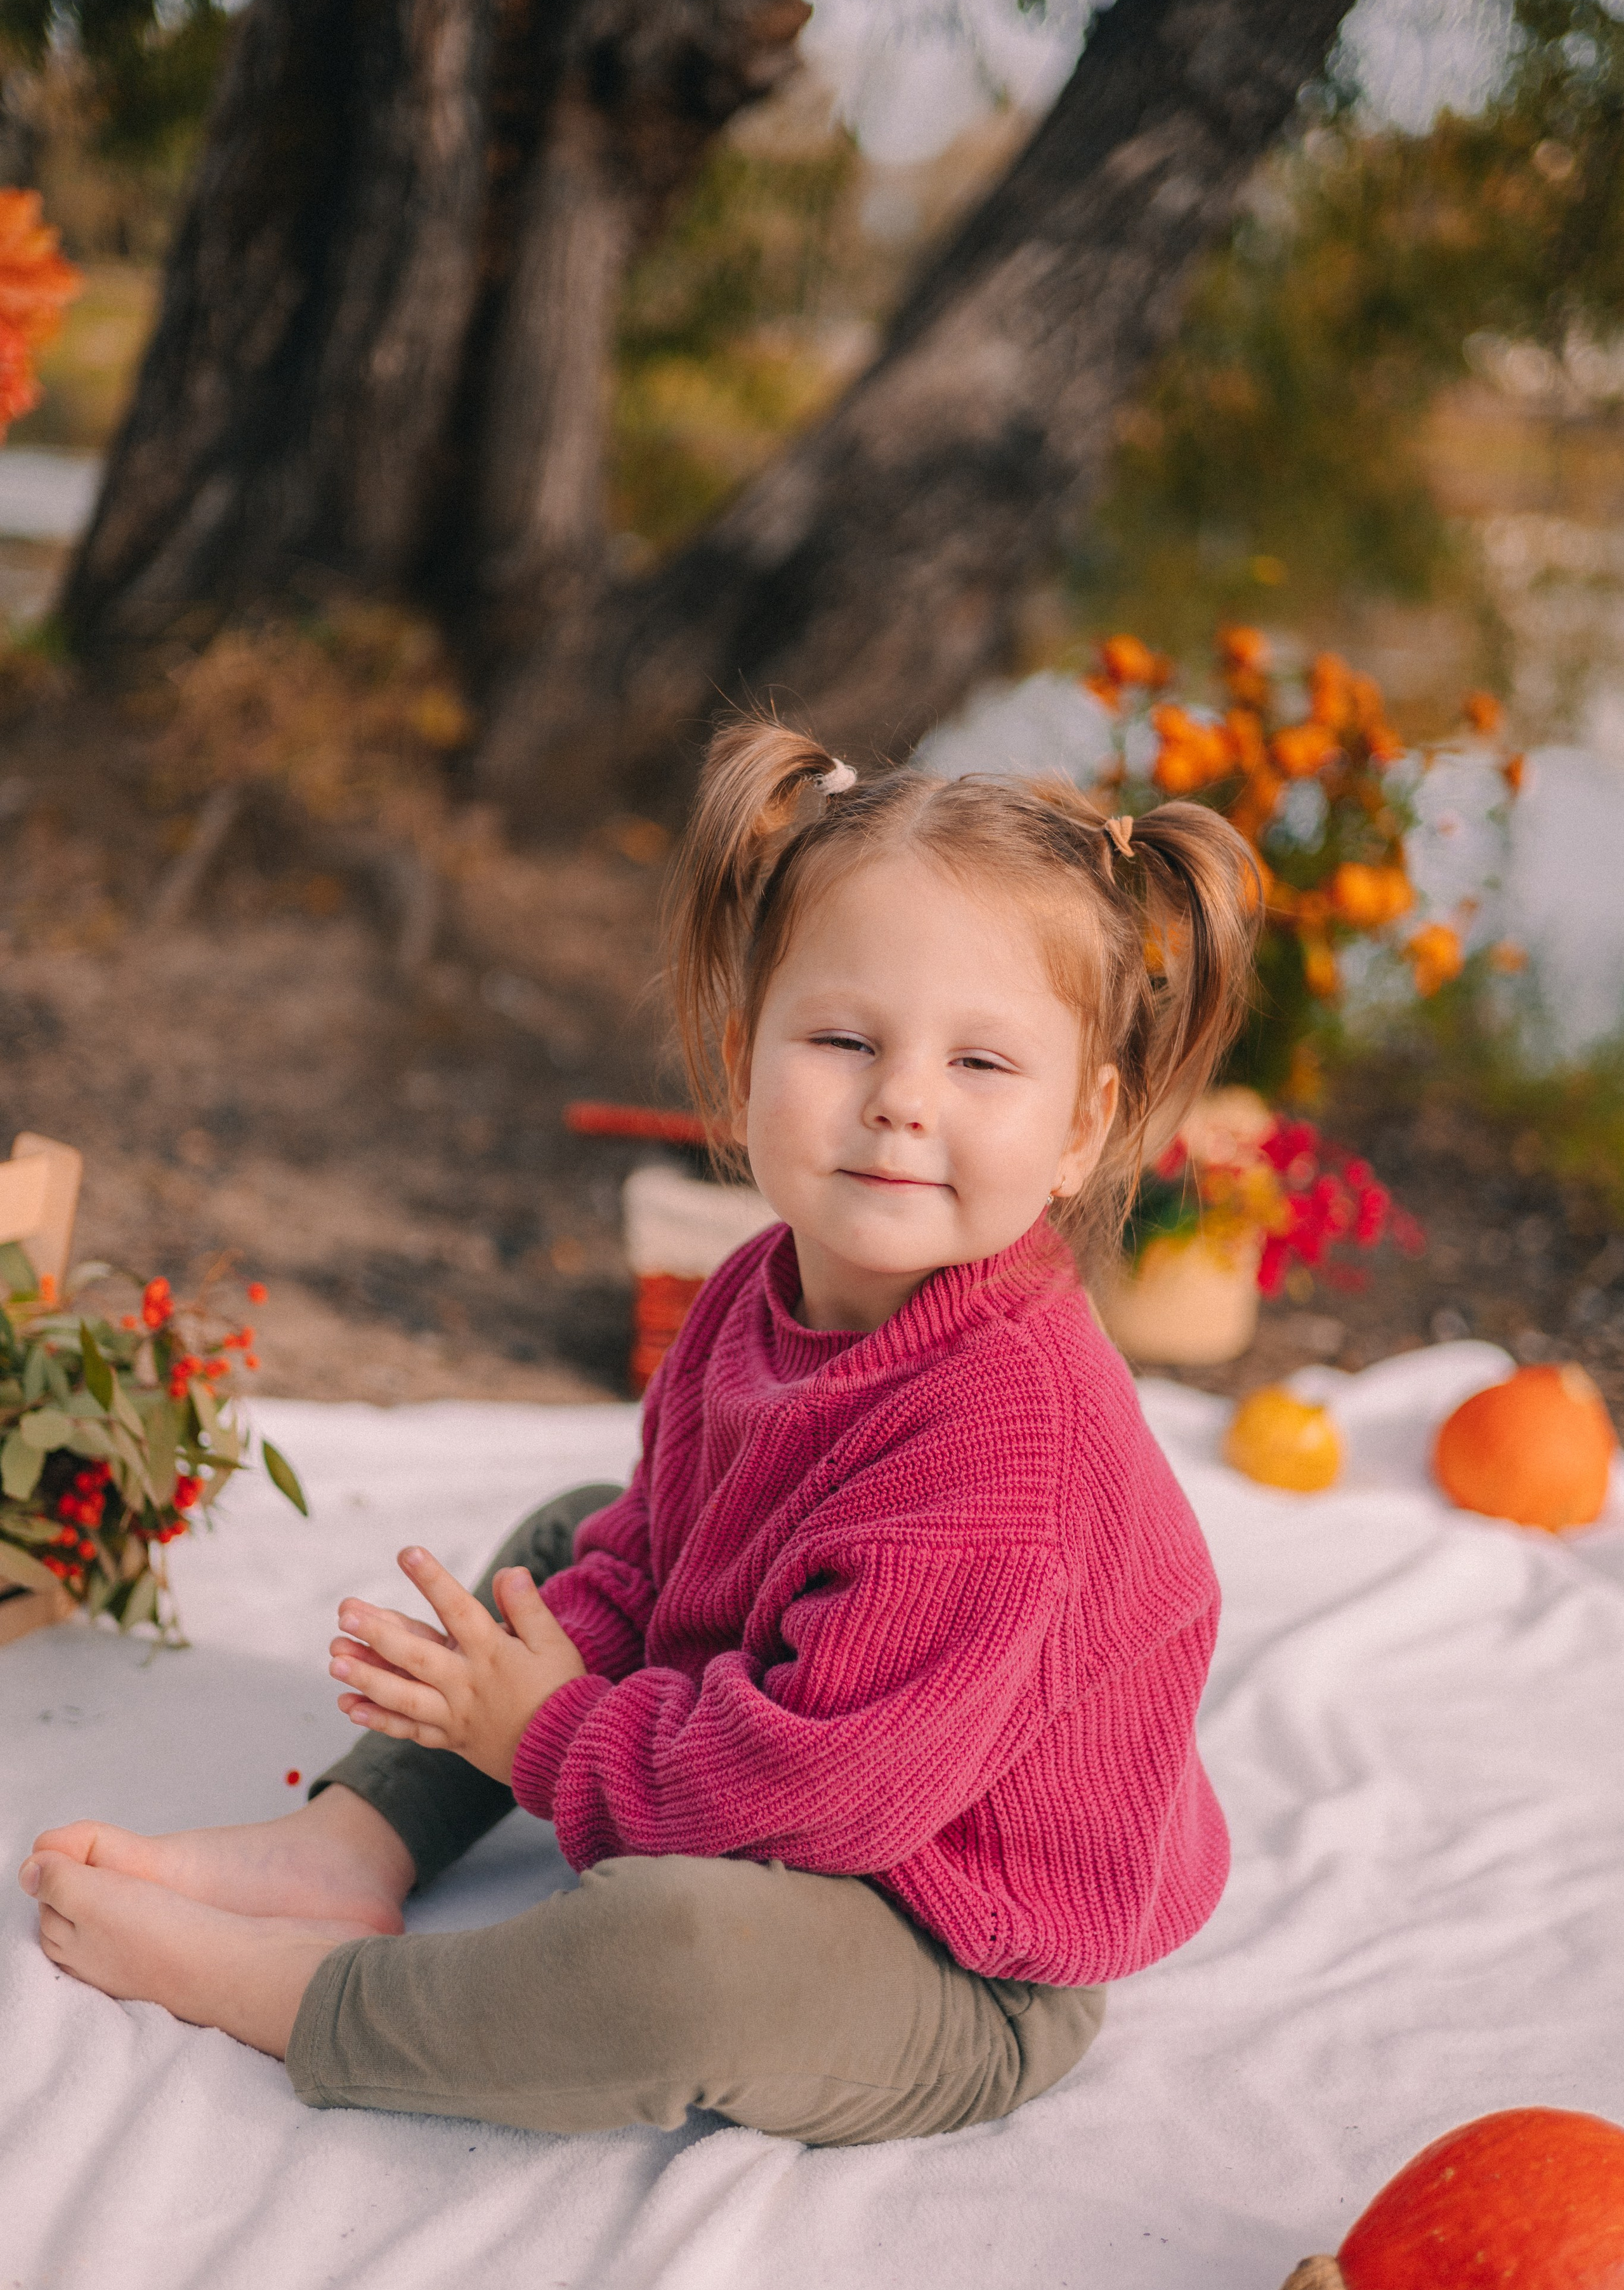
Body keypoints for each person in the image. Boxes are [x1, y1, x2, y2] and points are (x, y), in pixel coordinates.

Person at [20, 720, 1260, 2148]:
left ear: (1083, 1127)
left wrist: (546, 1735)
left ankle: (318, 1995)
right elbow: (659, 1551)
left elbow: (817, 1803)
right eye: (844, 1040)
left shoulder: (1007, 1450)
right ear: (744, 1059)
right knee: (568, 1540)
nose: (902, 1099)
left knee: (681, 1957)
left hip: (955, 1938)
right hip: (816, 1749)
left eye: (982, 1064)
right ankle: (346, 1847)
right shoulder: (757, 1285)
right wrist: (538, 1688)